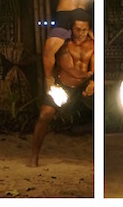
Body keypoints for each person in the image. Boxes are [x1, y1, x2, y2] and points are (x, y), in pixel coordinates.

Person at [29, 18, 94, 167]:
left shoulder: (93, 45)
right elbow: (69, 69)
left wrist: (93, 82)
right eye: (77, 29)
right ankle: (34, 157)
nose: (81, 33)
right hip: (63, 86)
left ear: (89, 30)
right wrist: (88, 75)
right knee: (45, 114)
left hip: (83, 88)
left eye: (84, 30)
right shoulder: (64, 46)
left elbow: (96, 66)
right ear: (71, 29)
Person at [42, 0, 94, 89]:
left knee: (98, 43)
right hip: (65, 15)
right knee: (48, 50)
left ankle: (93, 81)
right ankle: (49, 80)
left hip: (82, 15)